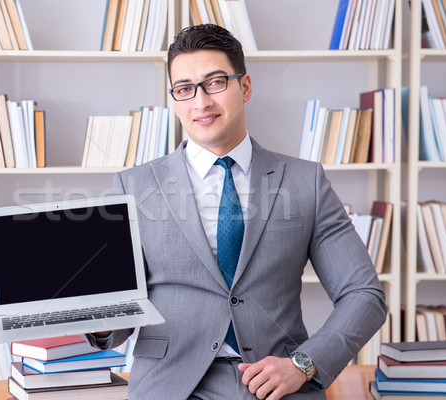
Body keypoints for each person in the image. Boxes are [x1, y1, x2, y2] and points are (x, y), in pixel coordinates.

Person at [87, 24, 387, 400]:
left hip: (280, 384)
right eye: (184, 90)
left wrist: (303, 364)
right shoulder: (134, 186)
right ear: (175, 99)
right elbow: (117, 320)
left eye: (214, 83)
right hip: (170, 385)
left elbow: (363, 294)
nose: (201, 102)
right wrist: (95, 321)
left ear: (244, 87)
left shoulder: (304, 181)